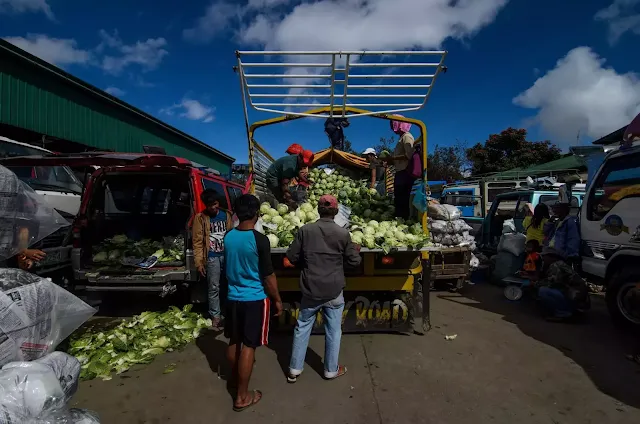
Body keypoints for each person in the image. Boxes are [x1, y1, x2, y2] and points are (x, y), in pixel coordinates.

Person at [285, 194, 362, 383]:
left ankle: (294, 369)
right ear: (336, 212)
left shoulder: (305, 230)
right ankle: (330, 370)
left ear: (319, 210)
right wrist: (354, 251)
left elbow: (291, 257)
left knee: (302, 327)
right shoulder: (343, 234)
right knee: (334, 330)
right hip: (334, 290)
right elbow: (354, 262)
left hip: (311, 289)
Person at [223, 194, 283, 412]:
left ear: (237, 214)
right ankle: (242, 396)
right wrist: (277, 300)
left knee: (233, 340)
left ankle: (236, 379)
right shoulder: (260, 240)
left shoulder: (228, 236)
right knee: (249, 345)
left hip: (232, 297)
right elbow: (268, 276)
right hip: (254, 299)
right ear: (257, 214)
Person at [192, 189, 233, 329]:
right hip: (212, 258)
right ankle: (215, 315)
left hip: (226, 256)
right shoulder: (200, 218)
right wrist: (199, 262)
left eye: (215, 204)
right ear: (205, 205)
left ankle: (227, 313)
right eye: (210, 205)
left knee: (227, 286)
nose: (213, 207)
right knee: (213, 287)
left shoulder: (227, 215)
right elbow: (197, 242)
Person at [536, 247, 590, 322]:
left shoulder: (556, 265)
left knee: (543, 291)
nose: (543, 259)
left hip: (576, 296)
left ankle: (564, 314)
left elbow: (551, 282)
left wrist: (534, 283)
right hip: (577, 296)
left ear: (551, 257)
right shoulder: (560, 264)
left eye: (545, 256)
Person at [382, 117, 416, 219]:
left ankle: (403, 220)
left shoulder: (407, 137)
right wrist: (390, 161)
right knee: (399, 198)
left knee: (402, 199)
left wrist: (392, 158)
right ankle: (400, 219)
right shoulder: (401, 138)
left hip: (405, 172)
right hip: (400, 171)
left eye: (393, 124)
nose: (392, 127)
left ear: (399, 124)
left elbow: (409, 155)